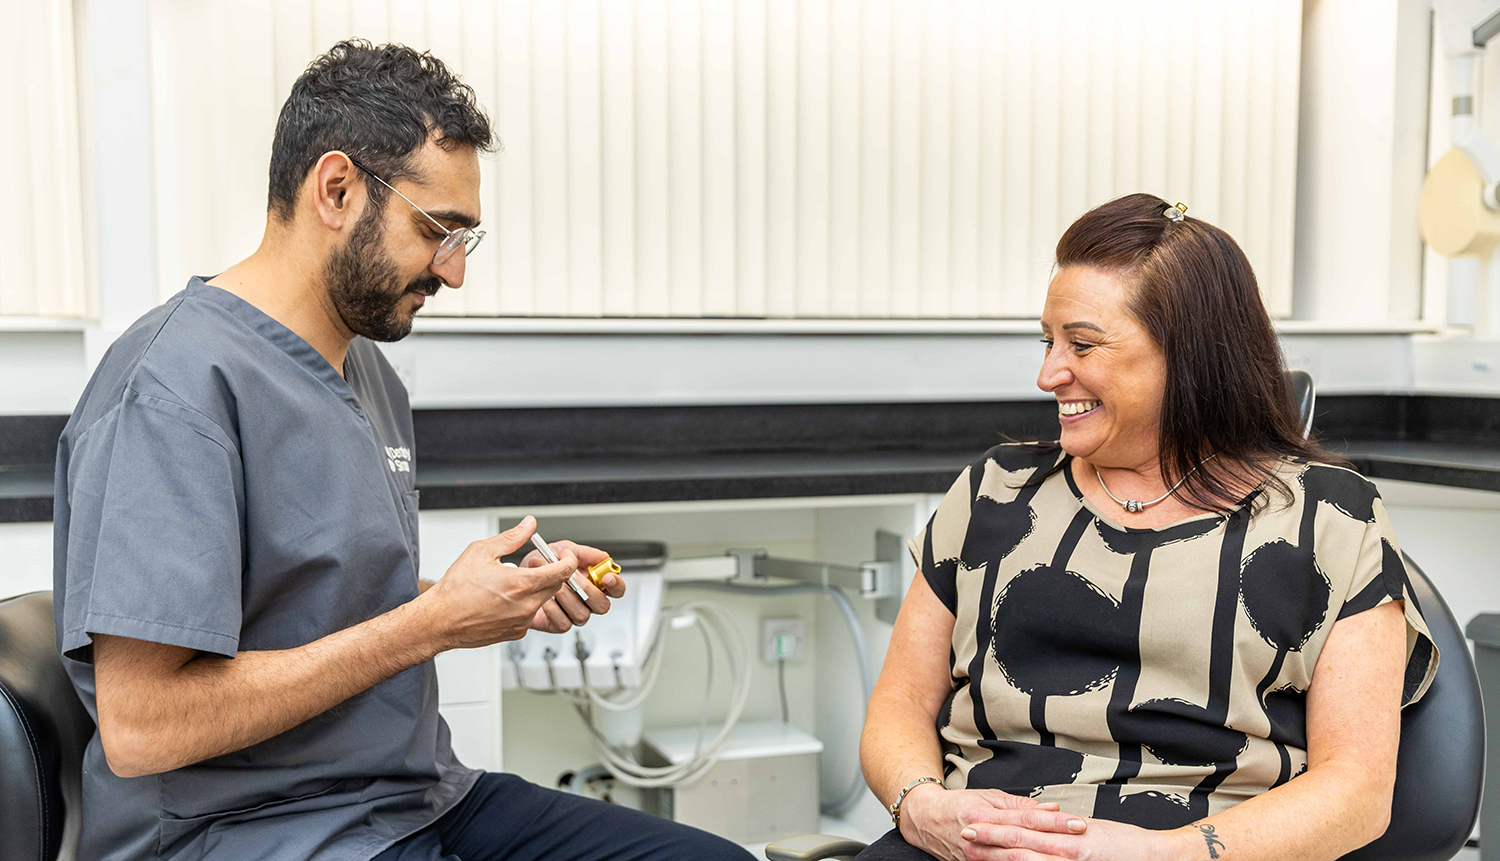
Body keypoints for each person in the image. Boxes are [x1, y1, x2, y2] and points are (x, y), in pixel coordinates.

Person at [53, 40, 751, 861]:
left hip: (412, 796)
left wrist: (494, 598)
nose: (453, 272)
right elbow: (141, 727)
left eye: (467, 239)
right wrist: (430, 623)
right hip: (254, 829)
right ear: (338, 189)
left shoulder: (367, 369)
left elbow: (321, 597)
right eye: (437, 230)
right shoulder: (171, 390)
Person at [857, 194, 1439, 861]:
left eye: (1081, 344)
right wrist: (926, 806)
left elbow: (1357, 789)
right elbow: (898, 703)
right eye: (1047, 342)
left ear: (1187, 356)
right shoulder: (996, 492)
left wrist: (1163, 853)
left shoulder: (1331, 520)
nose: (1048, 374)